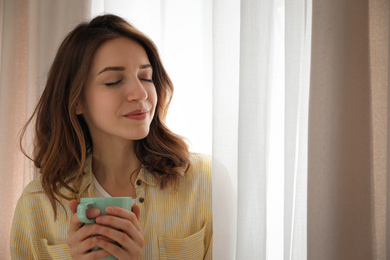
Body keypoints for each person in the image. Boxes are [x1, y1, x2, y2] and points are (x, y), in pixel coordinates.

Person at [10, 14, 212, 260]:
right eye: (114, 81)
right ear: (77, 100)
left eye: (146, 77)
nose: (139, 93)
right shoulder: (36, 205)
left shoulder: (204, 183)